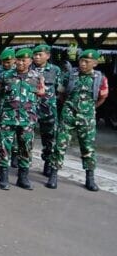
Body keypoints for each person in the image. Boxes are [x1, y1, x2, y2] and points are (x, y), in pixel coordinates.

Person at [47, 49, 109, 191]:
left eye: (87, 62)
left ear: (95, 63)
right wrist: (69, 107)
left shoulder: (100, 78)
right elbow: (61, 94)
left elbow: (102, 97)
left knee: (88, 147)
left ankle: (90, 178)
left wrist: (90, 108)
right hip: (68, 115)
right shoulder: (69, 75)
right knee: (59, 145)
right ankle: (53, 175)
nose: (82, 64)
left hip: (87, 118)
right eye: (81, 60)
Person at [0, 48, 44, 190]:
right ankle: (3, 178)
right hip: (8, 118)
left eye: (24, 60)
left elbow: (41, 92)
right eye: (18, 60)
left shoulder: (37, 77)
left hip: (27, 119)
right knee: (4, 147)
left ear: (30, 61)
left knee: (26, 148)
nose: (20, 63)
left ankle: (23, 178)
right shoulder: (5, 75)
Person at [31, 44, 62, 176]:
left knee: (49, 138)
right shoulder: (28, 68)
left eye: (40, 55)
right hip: (30, 109)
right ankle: (22, 162)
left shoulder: (55, 70)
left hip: (48, 110)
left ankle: (48, 163)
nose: (37, 57)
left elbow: (60, 91)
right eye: (35, 54)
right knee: (25, 137)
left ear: (48, 56)